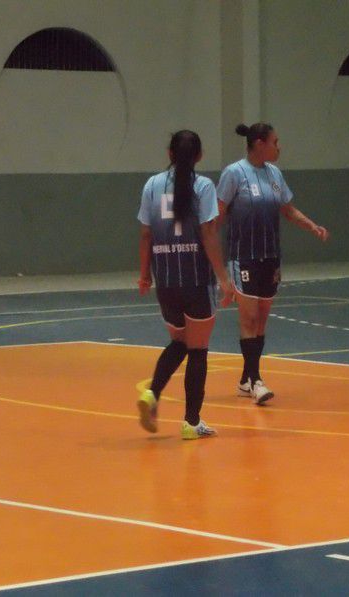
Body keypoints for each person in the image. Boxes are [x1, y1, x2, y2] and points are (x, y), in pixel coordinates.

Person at [217, 122, 328, 405]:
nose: (279, 147)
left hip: (270, 257)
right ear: (259, 144)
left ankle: (246, 380)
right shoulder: (234, 173)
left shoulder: (274, 174)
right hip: (243, 256)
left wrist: (312, 226)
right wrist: (212, 256)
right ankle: (256, 381)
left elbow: (288, 209)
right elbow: (217, 215)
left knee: (262, 320)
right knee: (249, 319)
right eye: (275, 142)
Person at [136, 130, 234, 438]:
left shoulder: (152, 185)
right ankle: (191, 422)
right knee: (198, 349)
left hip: (166, 280)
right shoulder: (203, 186)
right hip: (196, 280)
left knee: (180, 342)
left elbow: (146, 235)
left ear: (169, 153)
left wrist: (144, 274)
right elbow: (208, 233)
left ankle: (152, 393)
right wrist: (223, 278)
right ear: (199, 156)